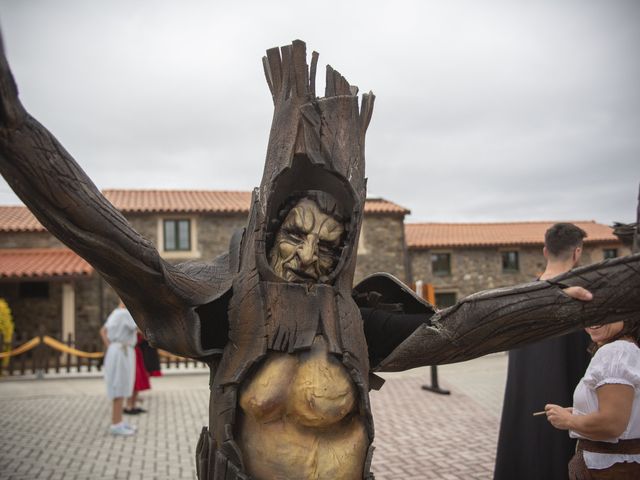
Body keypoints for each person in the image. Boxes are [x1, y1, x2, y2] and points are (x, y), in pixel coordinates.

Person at [494, 223, 593, 480]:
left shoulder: (521, 298)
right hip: (564, 405)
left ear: (545, 251)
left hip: (523, 399)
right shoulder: (584, 298)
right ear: (577, 253)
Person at [545, 318, 640, 478]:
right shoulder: (627, 349)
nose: (594, 319)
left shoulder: (616, 352)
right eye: (588, 313)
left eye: (605, 312)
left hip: (610, 471)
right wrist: (581, 412)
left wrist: (568, 420)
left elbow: (611, 424)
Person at [100, 301, 138, 436]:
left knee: (118, 386)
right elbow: (140, 328)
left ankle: (118, 421)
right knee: (119, 386)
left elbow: (103, 331)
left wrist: (112, 346)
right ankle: (116, 425)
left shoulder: (115, 313)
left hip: (116, 350)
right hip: (122, 352)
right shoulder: (125, 313)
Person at [124, 331, 151, 415]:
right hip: (131, 351)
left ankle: (133, 405)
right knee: (133, 379)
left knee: (138, 379)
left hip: (137, 351)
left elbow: (144, 337)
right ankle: (128, 406)